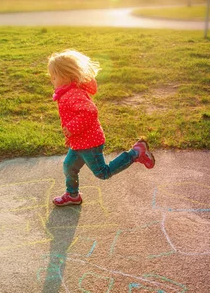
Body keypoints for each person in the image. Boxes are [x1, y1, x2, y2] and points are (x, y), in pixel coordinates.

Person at [48, 49, 155, 206]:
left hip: (90, 144)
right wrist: (71, 136)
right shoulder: (67, 92)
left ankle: (136, 153)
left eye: (54, 77)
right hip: (79, 142)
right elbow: (75, 116)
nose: (52, 80)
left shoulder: (73, 94)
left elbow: (90, 111)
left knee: (103, 173)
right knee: (69, 165)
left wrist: (71, 128)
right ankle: (72, 195)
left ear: (66, 76)